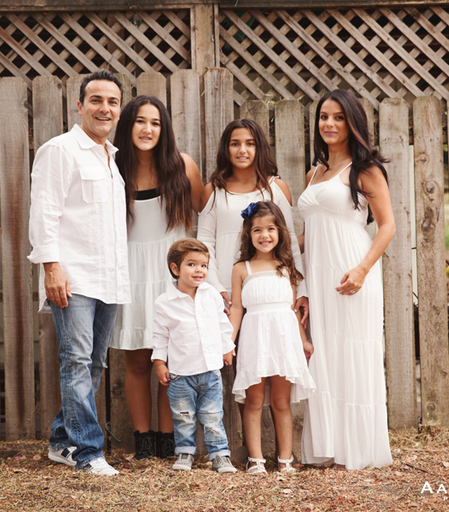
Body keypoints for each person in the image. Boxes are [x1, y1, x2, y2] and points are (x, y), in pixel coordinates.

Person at [27, 69, 128, 476]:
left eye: (112, 102)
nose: (105, 108)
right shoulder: (60, 150)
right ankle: (89, 452)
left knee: (94, 363)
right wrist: (52, 268)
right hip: (74, 276)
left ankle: (60, 441)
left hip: (110, 277)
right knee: (75, 360)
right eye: (97, 100)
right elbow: (44, 212)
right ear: (80, 105)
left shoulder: (111, 157)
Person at [298, 89, 395, 470]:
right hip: (318, 276)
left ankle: (357, 450)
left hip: (351, 271)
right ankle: (328, 447)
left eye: (338, 117)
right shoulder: (314, 172)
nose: (330, 124)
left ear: (352, 122)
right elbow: (311, 233)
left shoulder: (364, 169)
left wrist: (362, 269)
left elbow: (387, 226)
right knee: (323, 354)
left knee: (352, 353)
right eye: (324, 116)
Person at [110, 96, 204, 460]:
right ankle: (143, 440)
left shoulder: (183, 166)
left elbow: (206, 213)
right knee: (137, 362)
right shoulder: (114, 167)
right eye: (139, 121)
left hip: (172, 274)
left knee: (173, 360)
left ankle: (170, 440)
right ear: (127, 126)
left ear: (164, 129)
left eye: (155, 123)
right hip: (132, 273)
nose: (147, 129)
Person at [229, 201, 316, 474]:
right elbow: (236, 308)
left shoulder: (286, 266)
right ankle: (256, 460)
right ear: (248, 234)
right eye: (257, 230)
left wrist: (303, 339)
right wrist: (229, 340)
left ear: (279, 232)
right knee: (253, 401)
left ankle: (285, 460)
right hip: (255, 338)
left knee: (281, 401)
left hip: (284, 338)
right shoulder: (242, 268)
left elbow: (291, 309)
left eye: (270, 229)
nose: (264, 235)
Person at [197, 119, 308, 315]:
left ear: (260, 148)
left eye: (250, 143)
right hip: (226, 289)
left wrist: (301, 289)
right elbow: (205, 244)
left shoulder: (276, 188)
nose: (242, 150)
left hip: (268, 289)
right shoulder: (213, 191)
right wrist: (214, 286)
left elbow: (289, 241)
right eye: (235, 144)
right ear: (226, 148)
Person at [151, 238, 237, 474]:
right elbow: (160, 336)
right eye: (192, 264)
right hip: (180, 375)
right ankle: (185, 453)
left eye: (204, 265)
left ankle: (219, 455)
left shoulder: (211, 296)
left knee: (212, 416)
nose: (199, 270)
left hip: (210, 371)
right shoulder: (164, 303)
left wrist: (226, 347)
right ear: (175, 268)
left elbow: (222, 324)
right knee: (183, 417)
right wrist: (160, 362)